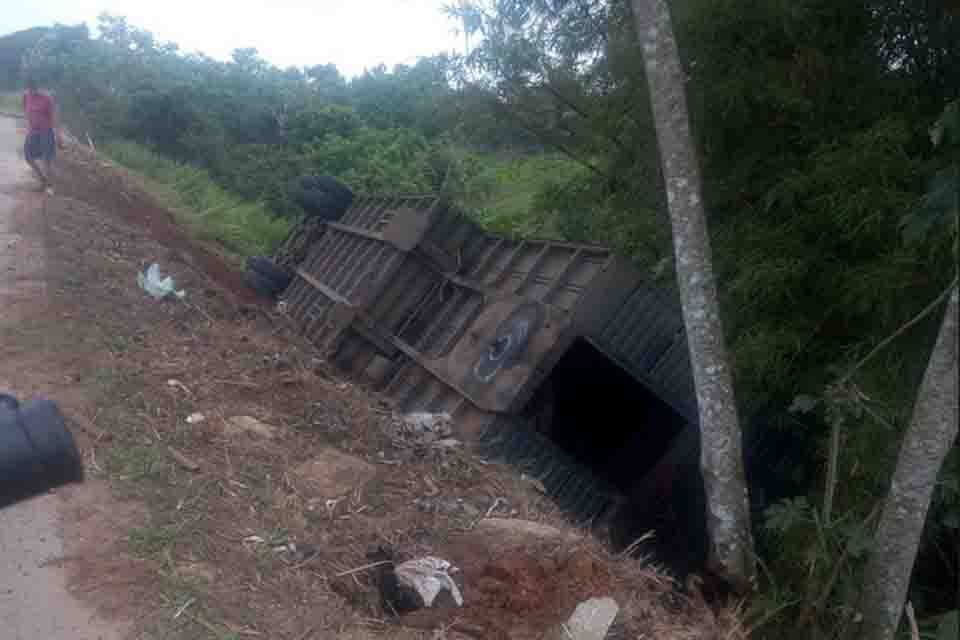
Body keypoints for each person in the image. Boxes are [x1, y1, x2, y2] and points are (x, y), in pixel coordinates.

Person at [22, 77, 60, 193]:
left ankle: (49, 186)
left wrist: (58, 135)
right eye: (30, 90)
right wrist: (28, 126)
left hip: (46, 132)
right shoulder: (26, 96)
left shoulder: (46, 98)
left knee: (46, 160)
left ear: (37, 88)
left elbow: (54, 117)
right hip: (33, 132)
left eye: (34, 89)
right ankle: (43, 179)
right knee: (28, 157)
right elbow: (26, 111)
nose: (32, 92)